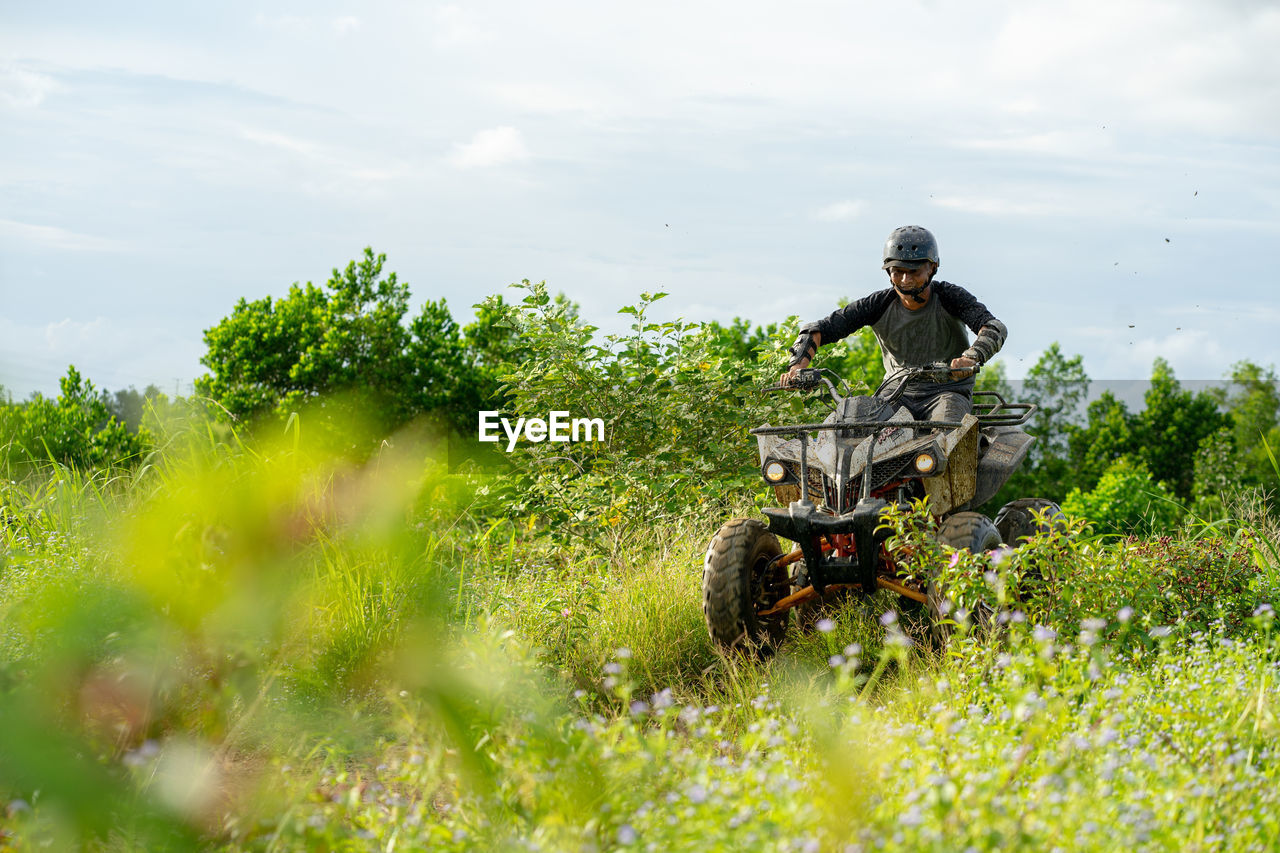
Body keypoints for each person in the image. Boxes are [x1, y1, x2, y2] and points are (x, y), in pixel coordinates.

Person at [780, 225, 1006, 423]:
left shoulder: (950, 297)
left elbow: (994, 327)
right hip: (895, 393)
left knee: (947, 435)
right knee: (857, 428)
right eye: (898, 272)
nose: (906, 280)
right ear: (889, 271)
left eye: (914, 272)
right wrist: (797, 368)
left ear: (932, 268)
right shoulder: (878, 304)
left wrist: (971, 357)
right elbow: (817, 330)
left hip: (947, 391)